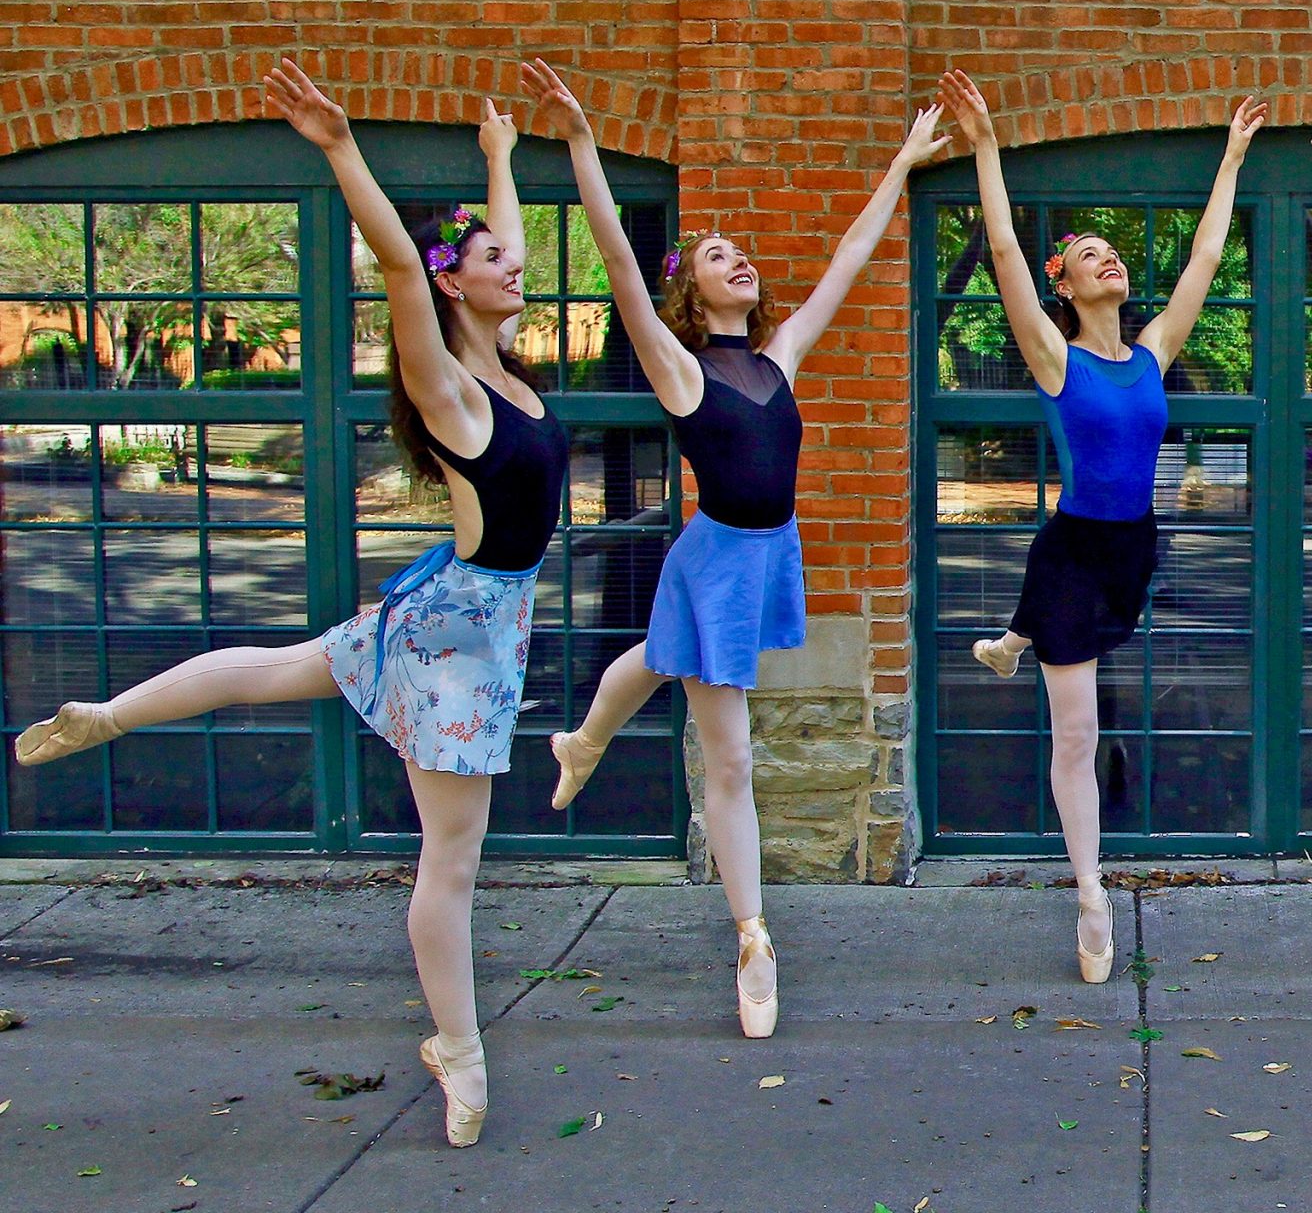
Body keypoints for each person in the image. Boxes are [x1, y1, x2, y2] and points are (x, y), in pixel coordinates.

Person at [14, 60, 571, 1149]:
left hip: (461, 616)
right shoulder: (450, 387)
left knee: (280, 666)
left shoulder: (499, 369)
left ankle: (110, 715)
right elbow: (413, 271)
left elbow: (472, 256)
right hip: (457, 638)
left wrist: (503, 162)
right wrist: (338, 148)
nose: (519, 266)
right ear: (458, 287)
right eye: (497, 260)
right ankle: (458, 1052)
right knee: (450, 862)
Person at [532, 59, 944, 1038]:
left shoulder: (778, 354)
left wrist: (900, 162)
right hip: (717, 561)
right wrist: (586, 146)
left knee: (660, 660)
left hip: (769, 553)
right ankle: (754, 941)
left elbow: (849, 256)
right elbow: (624, 273)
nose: (736, 260)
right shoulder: (680, 370)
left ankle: (582, 737)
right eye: (716, 255)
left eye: (739, 252)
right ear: (694, 293)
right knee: (732, 762)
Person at [943, 69, 1266, 982]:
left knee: (1061, 669)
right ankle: (1090, 893)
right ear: (1069, 289)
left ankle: (1013, 639)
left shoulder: (1155, 351)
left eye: (1113, 254)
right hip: (1076, 549)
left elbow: (1205, 257)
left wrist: (1232, 159)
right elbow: (1005, 251)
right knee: (1076, 734)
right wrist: (987, 148)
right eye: (1089, 256)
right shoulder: (1057, 358)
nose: (1107, 260)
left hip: (1136, 547)